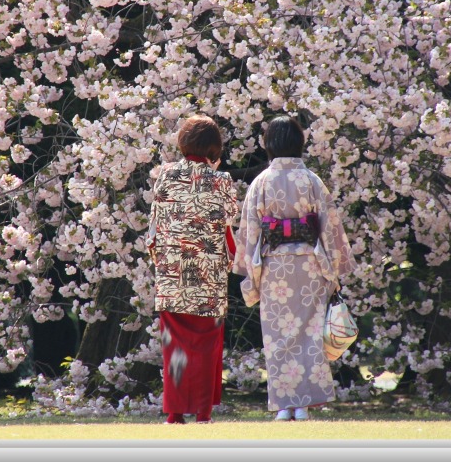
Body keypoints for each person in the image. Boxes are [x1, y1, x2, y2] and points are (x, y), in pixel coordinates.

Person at [232, 115, 357, 421]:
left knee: (278, 337)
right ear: (299, 143)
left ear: (269, 144)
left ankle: (285, 405)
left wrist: (249, 270)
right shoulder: (312, 181)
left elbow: (251, 230)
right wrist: (336, 267)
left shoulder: (261, 182)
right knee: (309, 334)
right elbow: (329, 228)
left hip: (275, 267)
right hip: (311, 263)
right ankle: (304, 405)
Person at [147, 114, 238, 424]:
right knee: (206, 345)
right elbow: (229, 220)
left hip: (173, 276)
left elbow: (155, 227)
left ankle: (174, 412)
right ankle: (203, 411)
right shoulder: (221, 180)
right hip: (208, 278)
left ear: (183, 144)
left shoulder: (165, 176)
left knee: (175, 347)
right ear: (214, 148)